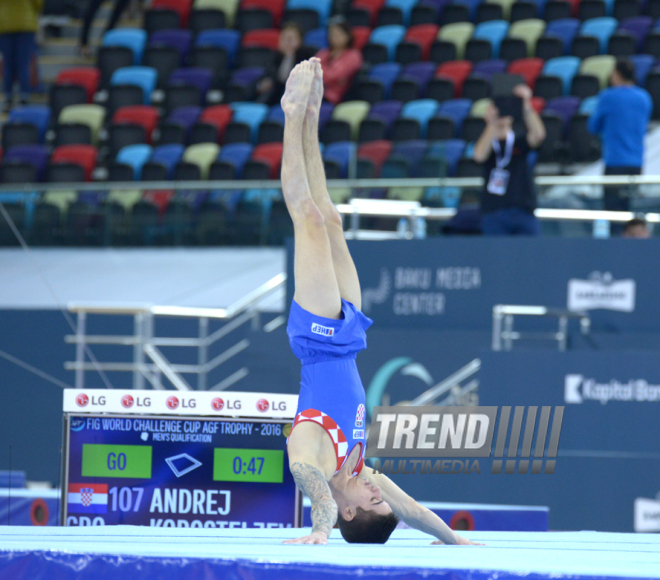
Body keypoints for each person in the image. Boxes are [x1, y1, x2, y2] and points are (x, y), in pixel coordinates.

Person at [280, 58, 482, 546]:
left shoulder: (315, 460)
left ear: (351, 512)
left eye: (371, 499)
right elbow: (411, 510)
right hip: (347, 340)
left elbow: (318, 497)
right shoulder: (359, 468)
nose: (376, 489)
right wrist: (452, 540)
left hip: (318, 340)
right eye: (379, 495)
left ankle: (290, 114)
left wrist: (320, 532)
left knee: (306, 219)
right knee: (328, 217)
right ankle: (311, 116)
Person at [473, 85, 546, 236]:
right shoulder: (486, 141)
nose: (502, 113)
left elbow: (538, 136)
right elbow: (479, 155)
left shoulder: (519, 141)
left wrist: (525, 106)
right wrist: (492, 124)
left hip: (523, 208)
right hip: (494, 210)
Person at [588, 59, 652, 213]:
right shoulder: (644, 97)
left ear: (617, 74)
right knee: (632, 212)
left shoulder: (608, 97)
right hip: (637, 163)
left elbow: (593, 126)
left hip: (615, 162)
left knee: (614, 214)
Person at [256, 22, 316, 106]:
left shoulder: (307, 56)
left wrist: (290, 56)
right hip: (275, 98)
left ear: (300, 41)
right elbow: (269, 76)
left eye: (290, 39)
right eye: (284, 39)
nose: (287, 42)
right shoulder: (275, 57)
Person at [0, 0, 43, 113]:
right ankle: (24, 99)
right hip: (25, 24)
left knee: (7, 65)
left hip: (4, 24)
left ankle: (8, 99)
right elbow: (38, 3)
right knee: (23, 65)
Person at [316, 18, 363, 105]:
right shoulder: (324, 53)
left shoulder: (353, 55)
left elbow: (334, 75)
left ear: (347, 35)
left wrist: (320, 73)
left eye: (338, 34)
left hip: (335, 97)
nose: (334, 37)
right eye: (332, 34)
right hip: (315, 93)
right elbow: (311, 70)